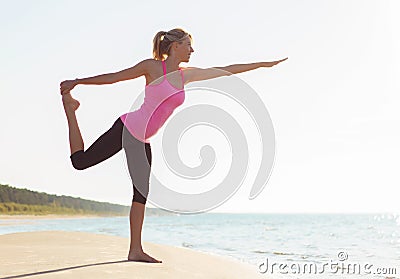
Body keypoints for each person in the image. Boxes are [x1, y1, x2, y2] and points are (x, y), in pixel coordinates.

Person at [60, 27, 287, 263]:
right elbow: (115, 77)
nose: (192, 49)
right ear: (175, 46)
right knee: (81, 162)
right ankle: (70, 110)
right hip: (128, 128)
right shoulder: (151, 67)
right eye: (188, 44)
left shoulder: (185, 75)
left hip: (143, 139)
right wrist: (78, 81)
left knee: (141, 194)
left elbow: (225, 71)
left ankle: (135, 250)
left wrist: (261, 65)